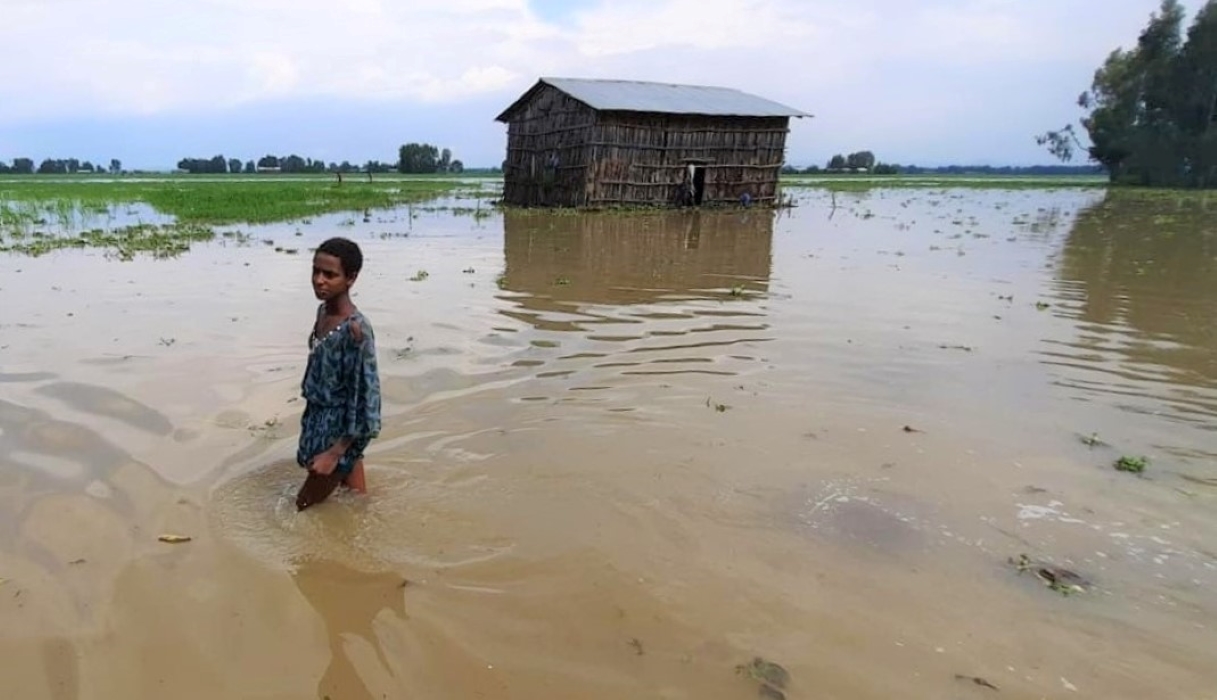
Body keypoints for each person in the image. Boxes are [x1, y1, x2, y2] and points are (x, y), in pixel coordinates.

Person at [294, 237, 382, 511]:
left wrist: (334, 452)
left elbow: (368, 403)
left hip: (337, 433)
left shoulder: (356, 331)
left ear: (351, 278)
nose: (319, 280)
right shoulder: (322, 313)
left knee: (303, 506)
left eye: (330, 275)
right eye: (316, 271)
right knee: (356, 504)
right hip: (318, 419)